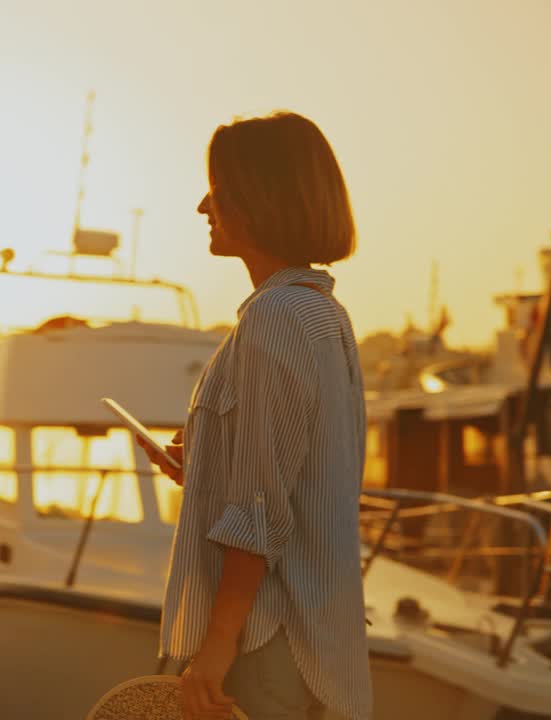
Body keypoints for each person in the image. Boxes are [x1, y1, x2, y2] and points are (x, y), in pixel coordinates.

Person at [136, 111, 371, 720]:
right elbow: (300, 475)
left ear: (258, 197)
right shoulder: (322, 314)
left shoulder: (275, 319)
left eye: (218, 187)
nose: (201, 205)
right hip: (308, 637)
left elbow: (263, 510)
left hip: (264, 637)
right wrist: (208, 466)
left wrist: (217, 644)